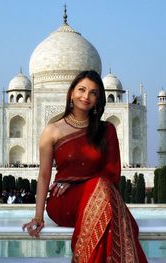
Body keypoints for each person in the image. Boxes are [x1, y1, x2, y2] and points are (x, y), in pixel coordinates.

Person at [22, 70, 148, 262]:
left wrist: (76, 181)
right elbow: (44, 175)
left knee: (102, 189)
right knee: (102, 193)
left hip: (100, 195)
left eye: (93, 93)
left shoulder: (106, 130)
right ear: (71, 92)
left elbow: (112, 175)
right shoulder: (52, 130)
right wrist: (38, 217)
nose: (86, 96)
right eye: (81, 89)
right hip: (63, 201)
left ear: (99, 99)